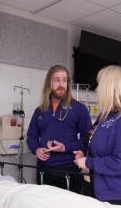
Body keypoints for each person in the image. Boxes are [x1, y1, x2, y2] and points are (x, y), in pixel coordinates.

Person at [74, 65, 121, 208]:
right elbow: (92, 141)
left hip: (119, 194)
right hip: (94, 187)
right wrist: (84, 153)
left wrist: (88, 162)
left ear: (110, 87)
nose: (97, 89)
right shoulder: (105, 116)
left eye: (99, 84)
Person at [27, 65, 92, 194]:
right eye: (56, 80)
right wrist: (37, 149)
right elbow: (31, 136)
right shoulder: (40, 111)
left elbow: (88, 140)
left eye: (64, 80)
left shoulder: (79, 109)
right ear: (49, 83)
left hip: (69, 169)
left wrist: (65, 147)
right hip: (44, 169)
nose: (61, 84)